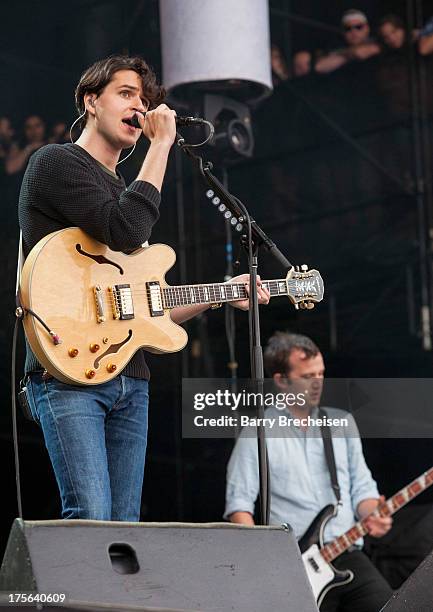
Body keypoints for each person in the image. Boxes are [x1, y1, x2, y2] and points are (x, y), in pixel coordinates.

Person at [18, 54, 270, 522]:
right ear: (91, 101)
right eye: (127, 94)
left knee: (125, 527)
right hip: (68, 375)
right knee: (92, 517)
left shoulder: (127, 189)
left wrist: (220, 292)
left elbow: (147, 311)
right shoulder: (55, 163)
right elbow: (128, 229)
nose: (140, 107)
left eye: (147, 100)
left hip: (129, 380)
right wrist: (163, 146)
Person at [224, 331, 393, 612]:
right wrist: (265, 567)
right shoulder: (258, 432)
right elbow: (239, 506)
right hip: (293, 565)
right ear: (281, 381)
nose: (317, 383)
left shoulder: (342, 423)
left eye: (321, 373)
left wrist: (372, 513)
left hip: (346, 552)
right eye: (307, 376)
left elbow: (363, 489)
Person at [316, 9, 380, 74]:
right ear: (343, 32)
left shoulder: (379, 42)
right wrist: (349, 53)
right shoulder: (335, 46)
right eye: (348, 28)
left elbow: (360, 53)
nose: (353, 32)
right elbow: (319, 67)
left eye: (359, 27)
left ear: (367, 29)